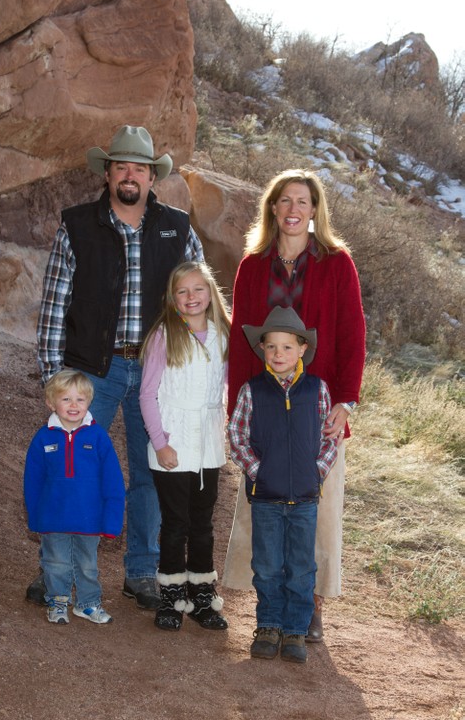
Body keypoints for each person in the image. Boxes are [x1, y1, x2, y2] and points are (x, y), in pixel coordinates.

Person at [29, 125, 204, 611]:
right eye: (121, 167)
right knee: (72, 470)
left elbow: (198, 302)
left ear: (153, 177)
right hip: (91, 374)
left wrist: (192, 373)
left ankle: (142, 572)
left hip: (155, 376)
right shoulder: (77, 225)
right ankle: (54, 574)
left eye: (140, 169)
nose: (131, 176)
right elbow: (54, 304)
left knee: (149, 475)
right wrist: (53, 377)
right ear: (107, 174)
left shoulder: (178, 228)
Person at [226, 169, 366, 641]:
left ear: (315, 210)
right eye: (284, 200)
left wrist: (345, 402)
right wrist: (236, 414)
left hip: (317, 407)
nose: (293, 210)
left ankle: (312, 608)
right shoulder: (252, 264)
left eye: (302, 202)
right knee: (261, 504)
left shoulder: (337, 263)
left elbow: (352, 336)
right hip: (263, 405)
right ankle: (269, 608)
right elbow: (238, 342)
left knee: (318, 510)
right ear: (272, 208)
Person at [228, 306, 337, 662]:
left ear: (302, 349)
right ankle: (269, 625)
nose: (279, 354)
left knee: (302, 566)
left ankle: (295, 630)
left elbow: (329, 438)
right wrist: (258, 471)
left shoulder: (317, 390)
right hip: (266, 499)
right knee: (269, 565)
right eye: (271, 347)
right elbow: (237, 436)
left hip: (305, 498)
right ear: (262, 350)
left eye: (287, 347)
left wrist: (315, 471)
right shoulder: (252, 390)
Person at [139, 261, 231, 631]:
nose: (191, 297)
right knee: (176, 524)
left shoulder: (222, 334)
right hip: (172, 444)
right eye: (183, 291)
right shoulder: (165, 334)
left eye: (198, 290)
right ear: (172, 297)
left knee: (203, 524)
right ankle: (171, 598)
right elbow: (147, 395)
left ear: (210, 294)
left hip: (208, 443)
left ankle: (203, 598)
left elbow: (225, 388)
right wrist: (160, 443)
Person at [24, 369, 125, 625]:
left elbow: (113, 482)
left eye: (80, 399)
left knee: (88, 565)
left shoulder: (98, 437)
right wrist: (35, 517)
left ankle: (88, 604)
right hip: (53, 516)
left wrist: (112, 521)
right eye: (66, 399)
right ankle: (57, 601)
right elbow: (33, 482)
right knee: (55, 562)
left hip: (89, 518)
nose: (73, 405)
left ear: (89, 402)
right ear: (51, 402)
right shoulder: (43, 438)